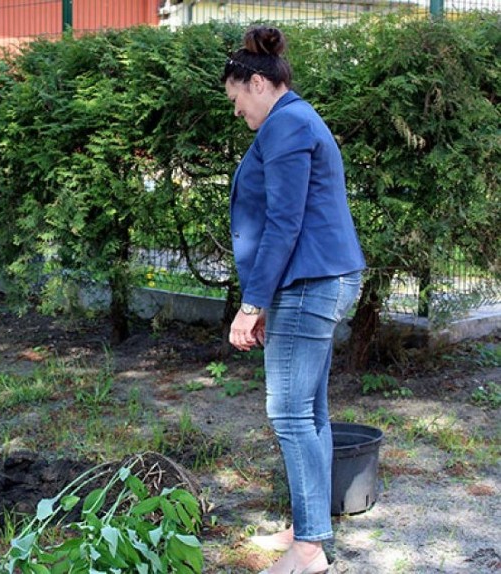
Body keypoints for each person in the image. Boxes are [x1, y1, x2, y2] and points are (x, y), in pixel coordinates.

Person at [221, 26, 365, 574]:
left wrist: (252, 304)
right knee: (310, 411)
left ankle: (309, 550)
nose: (237, 112)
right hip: (315, 281)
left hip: (309, 284)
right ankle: (308, 528)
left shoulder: (286, 126)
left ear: (257, 83)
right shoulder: (296, 119)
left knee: (289, 413)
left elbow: (285, 221)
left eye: (236, 99)